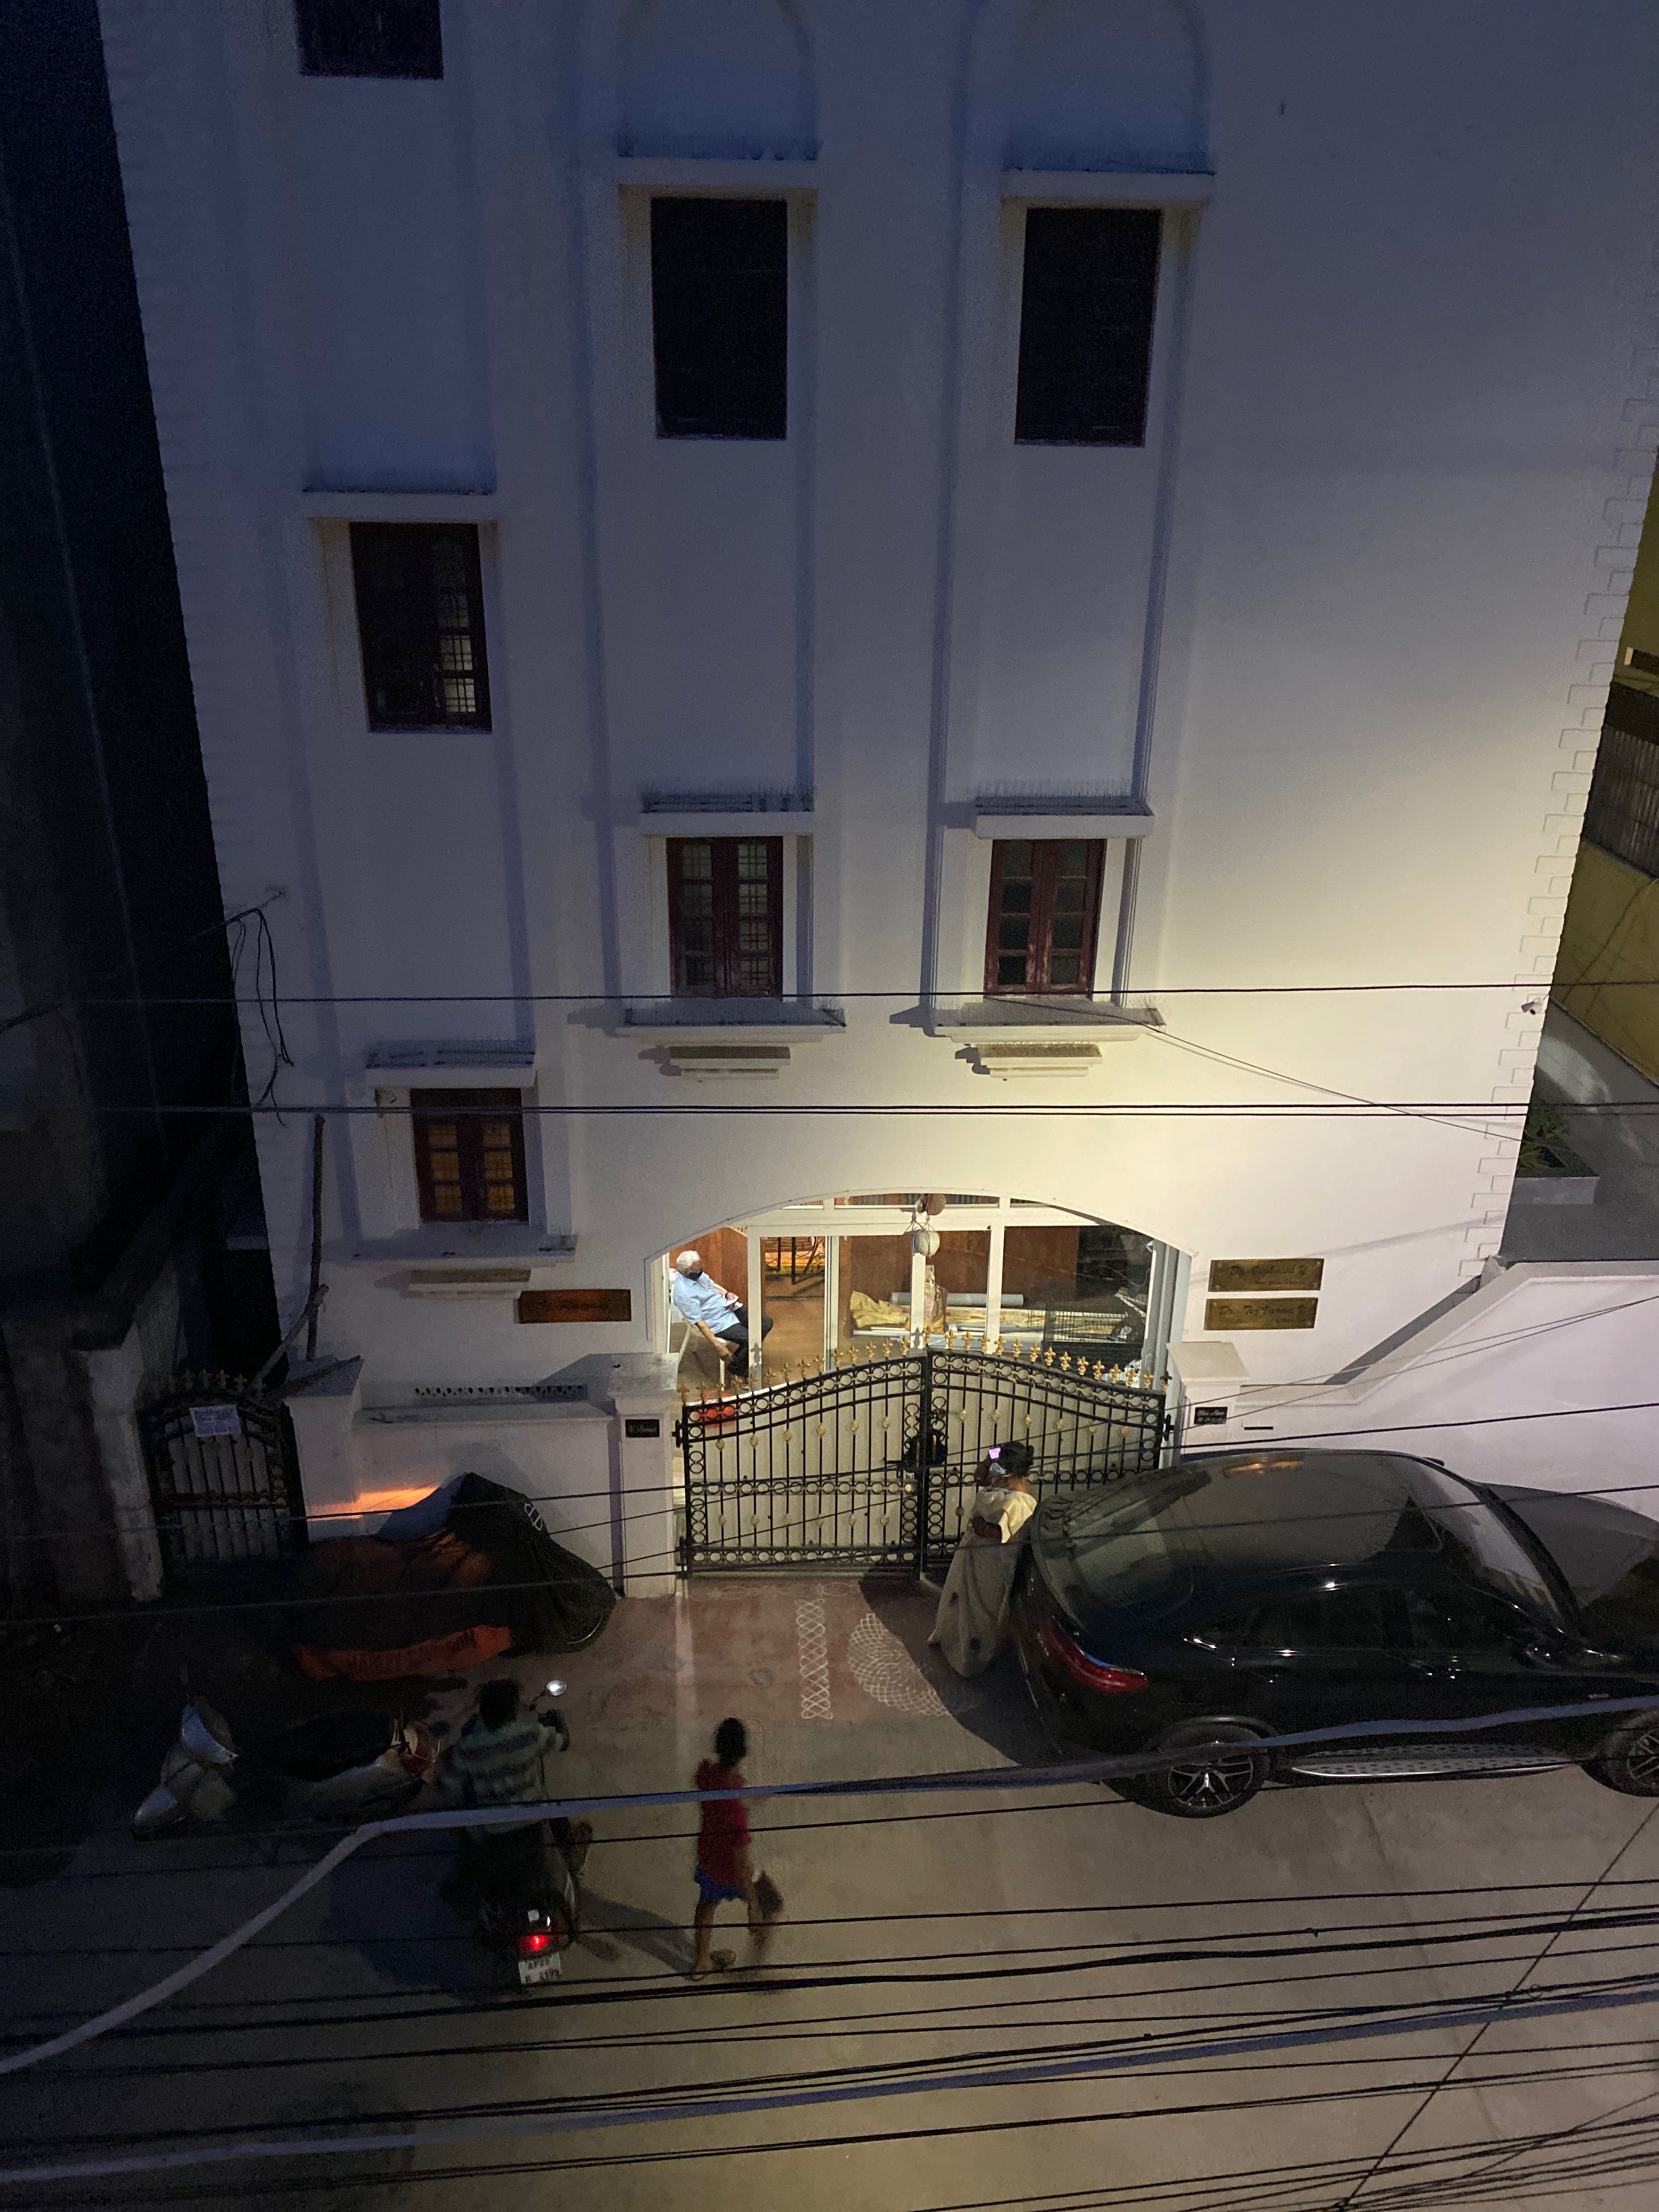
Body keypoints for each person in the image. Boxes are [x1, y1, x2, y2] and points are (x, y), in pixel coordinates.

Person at [440, 1677, 579, 1910]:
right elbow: (562, 1742)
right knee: (562, 1825)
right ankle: (572, 1864)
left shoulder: (467, 1748)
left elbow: (449, 1784)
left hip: (492, 1828)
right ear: (514, 1710)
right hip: (533, 1821)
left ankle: (462, 1893)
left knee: (467, 1844)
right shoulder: (531, 1735)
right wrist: (559, 1722)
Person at [928, 1441, 1037, 1678]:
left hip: (992, 1566)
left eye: (1000, 1464)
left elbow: (1000, 1532)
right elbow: (981, 1473)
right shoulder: (1001, 1485)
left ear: (1009, 1471)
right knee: (962, 1601)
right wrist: (990, 1458)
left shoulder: (1020, 1502)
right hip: (975, 1555)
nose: (994, 1468)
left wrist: (980, 1526)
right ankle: (952, 1641)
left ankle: (972, 1659)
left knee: (981, 1612)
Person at [691, 1716, 768, 1977]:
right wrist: (752, 1904)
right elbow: (741, 1861)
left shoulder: (706, 1775)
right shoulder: (736, 1814)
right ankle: (755, 1968)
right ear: (743, 1752)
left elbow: (713, 1781)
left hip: (708, 1856)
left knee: (707, 1904)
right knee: (772, 1903)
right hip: (731, 1870)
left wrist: (738, 1788)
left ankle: (702, 1961)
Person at [671, 1249, 773, 1381]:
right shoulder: (683, 1294)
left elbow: (712, 1288)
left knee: (766, 1322)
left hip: (729, 1308)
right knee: (751, 1339)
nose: (701, 1271)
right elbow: (700, 1324)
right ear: (686, 1271)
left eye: (701, 1268)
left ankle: (738, 1361)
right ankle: (737, 1368)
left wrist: (727, 1294)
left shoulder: (697, 1274)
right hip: (717, 1322)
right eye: (698, 1270)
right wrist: (719, 1347)